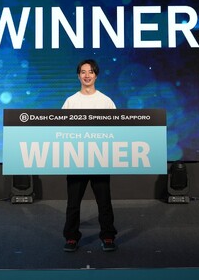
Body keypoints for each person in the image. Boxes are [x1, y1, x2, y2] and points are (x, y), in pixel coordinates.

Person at [61, 59, 118, 252]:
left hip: (99, 159)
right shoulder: (70, 101)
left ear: (96, 75)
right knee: (73, 203)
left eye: (91, 72)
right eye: (83, 72)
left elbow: (116, 130)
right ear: (78, 76)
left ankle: (108, 236)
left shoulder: (106, 101)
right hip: (76, 159)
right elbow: (60, 130)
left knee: (104, 202)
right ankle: (71, 238)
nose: (87, 75)